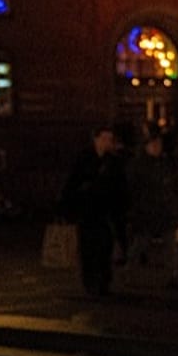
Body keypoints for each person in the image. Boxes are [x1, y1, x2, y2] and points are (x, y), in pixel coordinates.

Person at [59, 125, 127, 297]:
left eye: (110, 139)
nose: (107, 143)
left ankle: (104, 283)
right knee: (89, 249)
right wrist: (68, 209)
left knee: (105, 247)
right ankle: (90, 283)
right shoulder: (84, 159)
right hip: (87, 211)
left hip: (105, 211)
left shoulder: (113, 161)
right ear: (96, 139)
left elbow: (120, 186)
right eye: (104, 138)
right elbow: (72, 183)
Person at [125, 129, 178, 284]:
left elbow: (173, 184)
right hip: (147, 211)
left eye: (159, 144)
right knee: (141, 243)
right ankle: (129, 270)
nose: (157, 147)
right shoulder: (139, 165)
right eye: (154, 144)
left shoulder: (165, 163)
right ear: (146, 146)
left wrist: (174, 202)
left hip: (165, 210)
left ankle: (174, 274)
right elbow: (133, 189)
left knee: (170, 244)